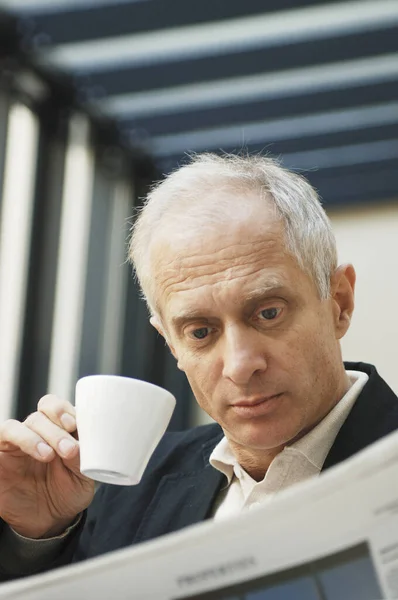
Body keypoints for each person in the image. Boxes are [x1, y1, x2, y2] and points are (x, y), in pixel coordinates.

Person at [0, 153, 397, 580]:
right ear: (170, 342)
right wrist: (38, 537)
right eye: (201, 332)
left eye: (268, 313)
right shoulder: (118, 491)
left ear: (339, 302)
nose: (241, 366)